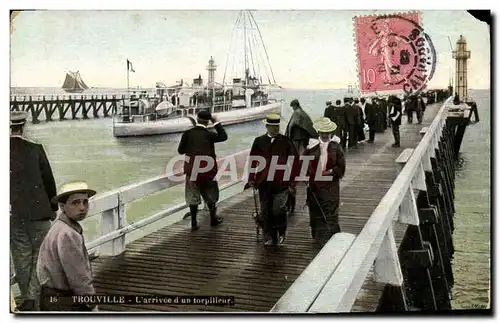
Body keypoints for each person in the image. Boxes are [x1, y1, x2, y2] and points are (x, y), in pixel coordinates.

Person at [10, 111, 58, 311]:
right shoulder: (36, 149)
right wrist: (54, 207)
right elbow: (49, 181)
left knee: (21, 258)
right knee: (39, 258)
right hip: (39, 214)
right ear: (24, 126)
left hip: (15, 215)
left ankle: (27, 300)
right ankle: (32, 299)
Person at [37, 181, 98, 312]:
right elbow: (77, 276)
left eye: (85, 202)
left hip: (50, 296)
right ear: (62, 206)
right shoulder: (67, 234)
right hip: (62, 300)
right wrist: (91, 303)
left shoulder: (60, 226)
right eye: (75, 203)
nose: (82, 208)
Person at [247, 114, 299, 246]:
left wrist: (292, 181)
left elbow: (294, 161)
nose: (275, 129)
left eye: (277, 126)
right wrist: (251, 178)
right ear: (267, 126)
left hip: (281, 182)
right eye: (272, 126)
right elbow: (253, 161)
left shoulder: (286, 141)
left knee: (279, 210)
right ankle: (269, 236)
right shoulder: (259, 141)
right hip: (263, 183)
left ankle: (281, 231)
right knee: (265, 211)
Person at [178, 110, 228, 231]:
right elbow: (223, 137)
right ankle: (213, 219)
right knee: (211, 195)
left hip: (192, 170)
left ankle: (194, 223)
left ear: (197, 118)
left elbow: (180, 150)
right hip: (208, 169)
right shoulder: (209, 134)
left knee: (192, 197)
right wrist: (216, 123)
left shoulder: (187, 133)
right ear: (207, 121)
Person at [302, 117, 346, 245]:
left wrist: (331, 171)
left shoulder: (336, 147)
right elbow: (304, 163)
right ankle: (318, 236)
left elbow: (341, 165)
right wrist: (305, 176)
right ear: (319, 133)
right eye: (323, 133)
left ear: (331, 133)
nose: (325, 135)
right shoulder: (311, 146)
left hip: (330, 183)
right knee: (316, 209)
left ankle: (332, 236)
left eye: (327, 133)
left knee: (331, 209)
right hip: (315, 184)